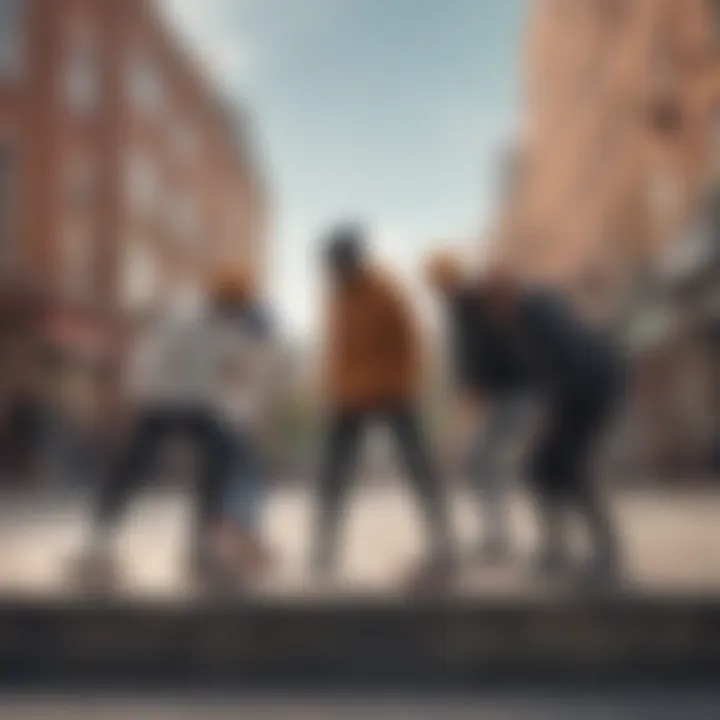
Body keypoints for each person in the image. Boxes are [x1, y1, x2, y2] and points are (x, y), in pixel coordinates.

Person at [312, 224, 454, 587]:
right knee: (333, 472)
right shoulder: (337, 297)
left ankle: (443, 543)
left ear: (354, 259)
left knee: (419, 467)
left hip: (392, 391)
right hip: (350, 395)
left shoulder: (386, 291)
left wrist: (407, 386)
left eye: (339, 263)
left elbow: (412, 342)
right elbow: (336, 348)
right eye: (331, 264)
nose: (335, 271)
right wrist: (331, 389)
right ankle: (324, 548)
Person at [71, 269, 232, 588]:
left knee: (214, 460)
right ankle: (99, 542)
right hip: (164, 399)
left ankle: (200, 546)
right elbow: (159, 356)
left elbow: (212, 370)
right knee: (133, 467)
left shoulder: (214, 323)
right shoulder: (190, 316)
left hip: (184, 400)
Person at [482, 269, 625, 582]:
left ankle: (598, 552)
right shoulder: (531, 316)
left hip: (590, 387)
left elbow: (567, 362)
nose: (493, 317)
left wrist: (550, 419)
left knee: (559, 467)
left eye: (493, 307)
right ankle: (563, 549)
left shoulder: (536, 314)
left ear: (503, 297)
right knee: (546, 469)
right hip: (587, 387)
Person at [425, 251, 531, 562]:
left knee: (482, 464)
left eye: (436, 281)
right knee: (484, 464)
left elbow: (475, 362)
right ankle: (495, 536)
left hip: (505, 394)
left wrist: (460, 422)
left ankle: (496, 539)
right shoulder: (469, 303)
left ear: (446, 280)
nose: (435, 289)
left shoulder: (465, 306)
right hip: (507, 392)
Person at [207, 269, 277, 586]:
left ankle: (236, 542)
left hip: (234, 418)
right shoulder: (241, 339)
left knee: (241, 478)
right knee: (244, 478)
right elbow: (238, 380)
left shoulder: (232, 336)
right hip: (233, 419)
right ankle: (234, 544)